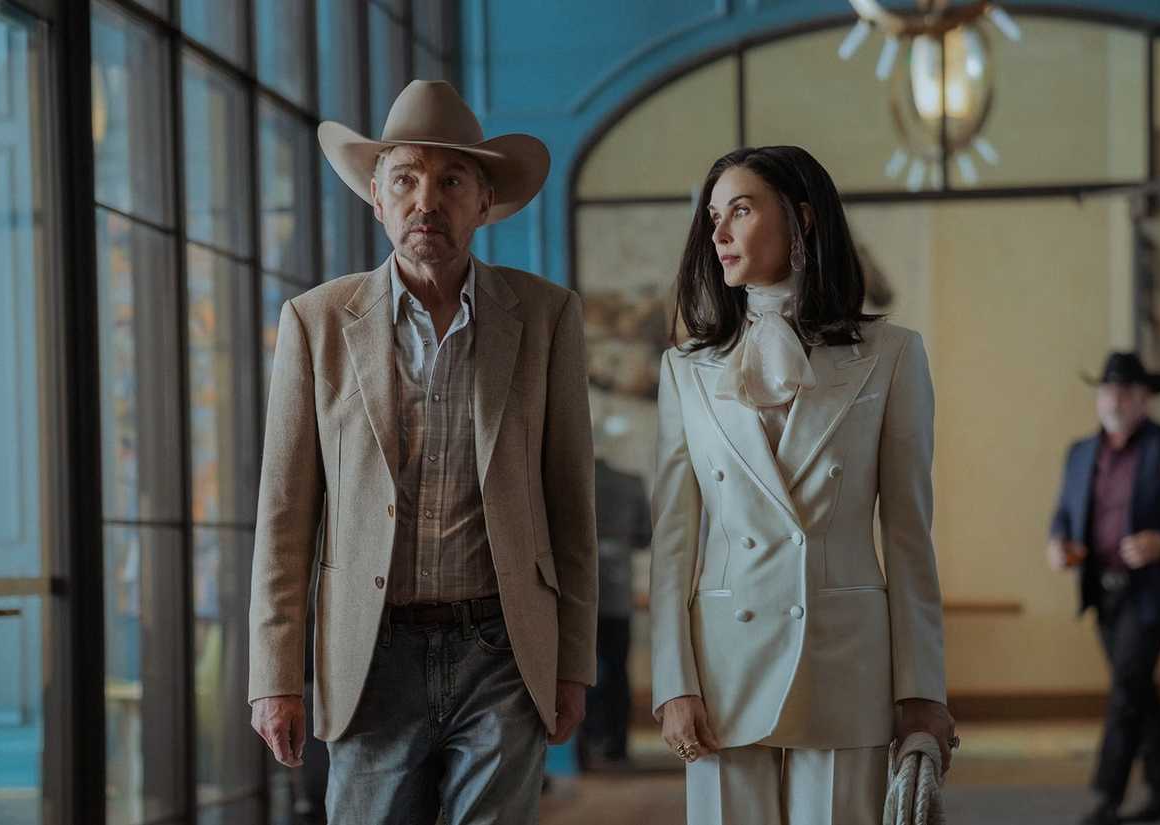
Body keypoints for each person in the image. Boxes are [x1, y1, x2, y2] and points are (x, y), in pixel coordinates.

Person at [246, 80, 598, 824]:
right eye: (405, 179)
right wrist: (274, 675)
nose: (425, 199)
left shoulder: (545, 317)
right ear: (377, 197)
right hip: (371, 654)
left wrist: (574, 662)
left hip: (502, 648)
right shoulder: (317, 323)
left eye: (450, 180)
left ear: (483, 201)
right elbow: (284, 515)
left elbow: (572, 507)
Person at [649, 145, 954, 825]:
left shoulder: (893, 356)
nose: (718, 232)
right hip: (724, 657)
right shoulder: (685, 370)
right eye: (713, 217)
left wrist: (922, 690)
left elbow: (909, 537)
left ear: (803, 220)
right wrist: (673, 681)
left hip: (845, 654)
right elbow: (672, 542)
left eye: (741, 210)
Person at [1046, 351, 1160, 825]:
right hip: (1101, 589)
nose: (1115, 399)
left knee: (1127, 683)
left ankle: (1107, 796)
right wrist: (1057, 542)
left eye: (1126, 391)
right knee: (1137, 689)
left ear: (1145, 398)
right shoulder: (1080, 452)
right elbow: (1065, 512)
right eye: (1108, 390)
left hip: (1155, 590)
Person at [580, 458, 652, 769]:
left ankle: (584, 748)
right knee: (618, 669)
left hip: (576, 592)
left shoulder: (574, 474)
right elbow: (645, 536)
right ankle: (617, 747)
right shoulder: (630, 480)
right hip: (617, 589)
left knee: (578, 671)